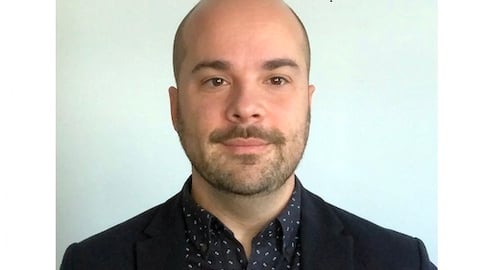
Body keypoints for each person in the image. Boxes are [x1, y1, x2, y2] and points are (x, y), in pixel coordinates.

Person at [60, 0, 437, 269]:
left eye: (276, 79)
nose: (246, 106)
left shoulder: (403, 261)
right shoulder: (90, 263)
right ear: (176, 109)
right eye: (216, 80)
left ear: (307, 103)